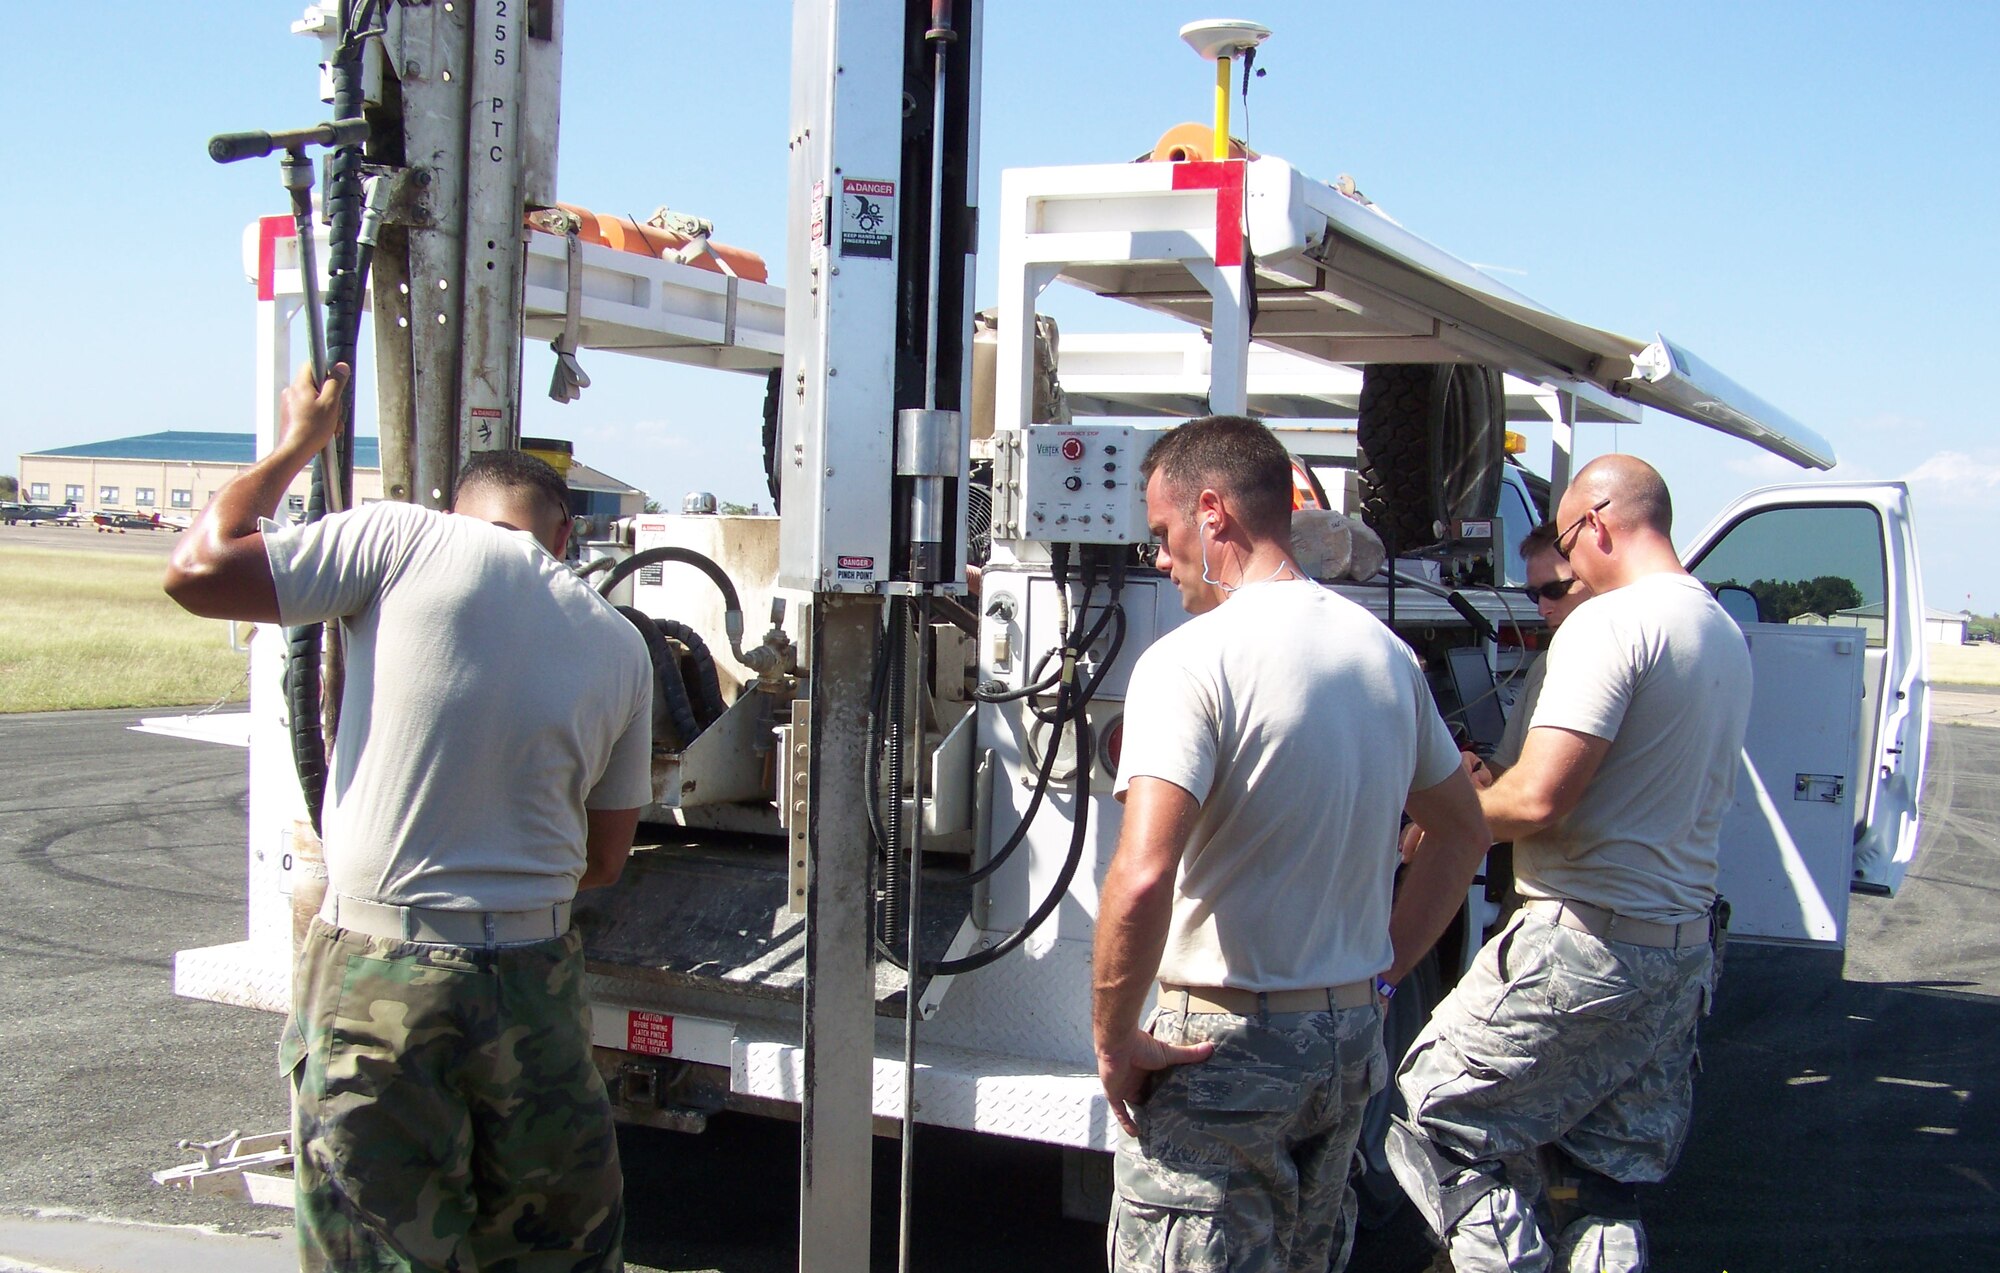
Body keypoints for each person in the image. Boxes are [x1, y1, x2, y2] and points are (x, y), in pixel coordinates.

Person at [164, 362, 652, 1273]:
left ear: (456, 505)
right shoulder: (620, 642)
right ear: (567, 533)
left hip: (388, 974)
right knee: (554, 1248)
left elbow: (197, 572)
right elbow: (605, 857)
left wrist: (297, 445)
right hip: (536, 978)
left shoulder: (402, 538)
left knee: (378, 1243)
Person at [1092, 414, 1490, 1273]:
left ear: (1212, 513)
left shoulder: (1190, 661)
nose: (1159, 561)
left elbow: (1142, 873)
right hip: (1344, 1040)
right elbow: (1462, 830)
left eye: (1162, 535)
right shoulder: (1384, 656)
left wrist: (1113, 1036)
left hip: (1223, 1044)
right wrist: (1382, 975)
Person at [1384, 454, 1753, 1273]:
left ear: (1594, 524)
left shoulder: (1612, 623)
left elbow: (1540, 801)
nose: (1557, 577)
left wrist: (1426, 810)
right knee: (1597, 1180)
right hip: (1678, 951)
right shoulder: (1719, 630)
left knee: (1429, 1115)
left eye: (1560, 544)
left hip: (1584, 941)